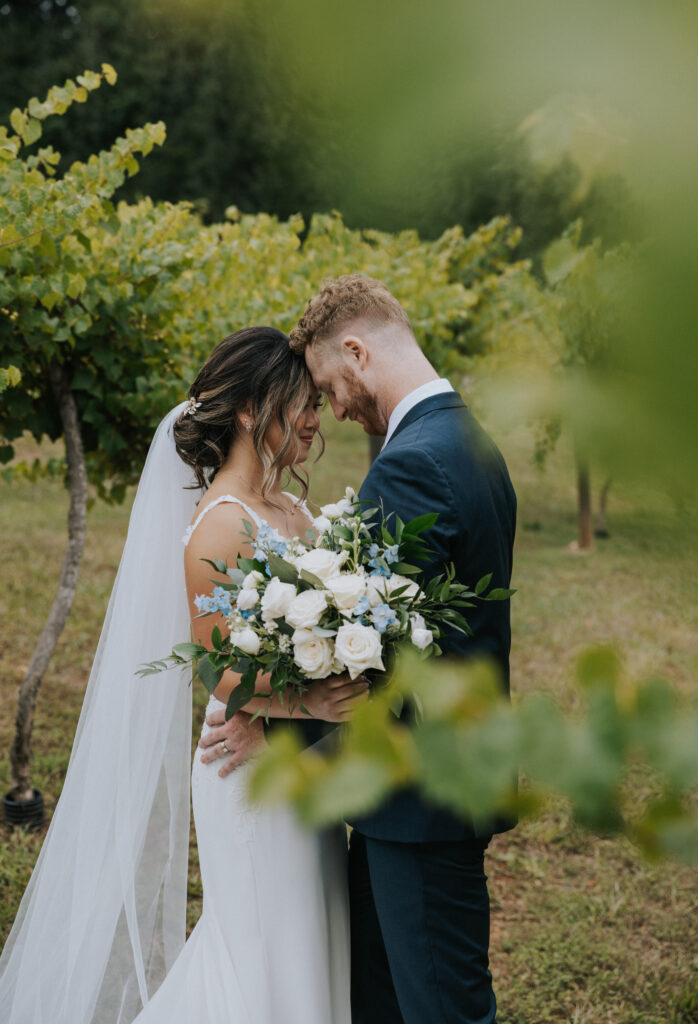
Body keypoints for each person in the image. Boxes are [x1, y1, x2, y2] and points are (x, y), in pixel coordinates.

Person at [0, 327, 361, 1023]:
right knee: (260, 944)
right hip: (246, 768)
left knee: (309, 931)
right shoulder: (222, 523)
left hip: (297, 760)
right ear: (254, 411)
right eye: (304, 404)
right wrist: (313, 697)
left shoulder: (290, 510)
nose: (317, 421)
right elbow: (220, 667)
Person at [203, 278, 517, 1024]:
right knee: (384, 1002)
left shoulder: (414, 461)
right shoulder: (465, 438)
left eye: (327, 386)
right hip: (424, 783)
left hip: (421, 797)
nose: (333, 410)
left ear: (356, 349)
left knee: (440, 1009)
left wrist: (266, 714)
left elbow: (360, 644)